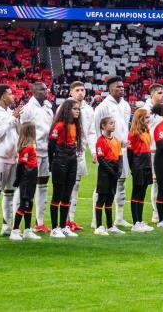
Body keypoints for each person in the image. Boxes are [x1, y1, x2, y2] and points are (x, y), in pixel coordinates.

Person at [92, 76, 132, 229]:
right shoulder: (103, 106)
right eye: (118, 87)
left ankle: (119, 217)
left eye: (122, 86)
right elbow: (96, 129)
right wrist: (97, 151)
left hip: (121, 150)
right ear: (110, 88)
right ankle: (96, 219)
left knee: (120, 183)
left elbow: (124, 128)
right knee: (102, 186)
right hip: (107, 151)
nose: (121, 89)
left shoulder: (126, 105)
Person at [0, 84, 22, 239]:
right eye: (10, 93)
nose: (13, 96)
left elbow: (19, 134)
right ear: (2, 96)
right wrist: (12, 118)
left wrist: (17, 120)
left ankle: (7, 227)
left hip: (13, 157)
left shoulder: (9, 112)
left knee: (9, 194)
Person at [19, 82, 54, 233]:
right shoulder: (27, 109)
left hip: (45, 152)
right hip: (32, 152)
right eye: (42, 89)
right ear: (33, 91)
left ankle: (39, 222)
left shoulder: (48, 108)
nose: (45, 91)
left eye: (46, 89)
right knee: (26, 188)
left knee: (43, 187)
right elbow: (21, 130)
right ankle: (17, 224)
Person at [47, 99, 82, 238]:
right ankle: (55, 228)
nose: (77, 111)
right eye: (74, 109)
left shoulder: (75, 125)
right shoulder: (59, 126)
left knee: (67, 195)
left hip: (72, 160)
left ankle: (63, 226)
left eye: (78, 109)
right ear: (67, 110)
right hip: (60, 160)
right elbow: (51, 146)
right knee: (57, 194)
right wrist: (51, 163)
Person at [67, 81, 96, 232]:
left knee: (76, 186)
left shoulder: (89, 110)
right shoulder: (65, 107)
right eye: (77, 90)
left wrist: (93, 151)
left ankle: (71, 219)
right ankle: (64, 220)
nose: (80, 92)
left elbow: (91, 132)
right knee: (67, 187)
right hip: (67, 153)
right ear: (71, 92)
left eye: (82, 90)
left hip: (80, 152)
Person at [10, 122, 41, 241]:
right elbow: (21, 165)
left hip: (32, 177)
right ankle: (15, 230)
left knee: (30, 202)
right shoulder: (27, 148)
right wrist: (18, 180)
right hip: (27, 178)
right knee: (24, 203)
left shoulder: (31, 146)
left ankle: (27, 230)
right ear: (31, 132)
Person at [94, 117, 123, 236]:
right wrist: (112, 172)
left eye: (114, 123)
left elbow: (120, 157)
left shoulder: (116, 140)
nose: (113, 125)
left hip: (114, 172)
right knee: (101, 199)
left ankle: (110, 226)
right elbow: (101, 159)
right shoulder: (100, 141)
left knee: (110, 198)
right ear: (103, 126)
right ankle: (99, 226)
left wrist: (119, 170)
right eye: (110, 123)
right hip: (105, 173)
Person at [127, 108, 153, 232]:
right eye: (147, 117)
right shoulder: (133, 133)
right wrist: (133, 168)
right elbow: (130, 153)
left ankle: (140, 221)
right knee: (136, 193)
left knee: (142, 194)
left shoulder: (146, 131)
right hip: (138, 165)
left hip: (147, 164)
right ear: (140, 118)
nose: (149, 119)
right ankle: (135, 222)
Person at [143, 84, 163, 224]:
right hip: (150, 151)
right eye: (159, 93)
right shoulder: (145, 110)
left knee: (161, 183)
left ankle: (158, 213)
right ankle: (155, 214)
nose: (162, 95)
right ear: (152, 95)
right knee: (154, 182)